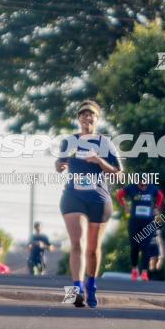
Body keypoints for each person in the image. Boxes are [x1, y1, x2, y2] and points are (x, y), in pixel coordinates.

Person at [55, 100, 122, 307]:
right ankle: (77, 289)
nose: (86, 118)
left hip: (98, 200)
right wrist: (59, 165)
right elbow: (60, 163)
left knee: (92, 248)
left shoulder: (105, 143)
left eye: (90, 114)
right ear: (78, 119)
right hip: (73, 196)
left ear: (97, 118)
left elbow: (119, 173)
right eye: (83, 115)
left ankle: (91, 285)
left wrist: (100, 162)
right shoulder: (69, 141)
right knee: (78, 242)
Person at [116, 181, 164, 281]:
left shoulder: (152, 188)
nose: (143, 187)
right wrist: (124, 205)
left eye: (145, 185)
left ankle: (144, 272)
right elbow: (119, 194)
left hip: (148, 222)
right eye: (141, 185)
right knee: (135, 247)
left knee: (145, 247)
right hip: (134, 222)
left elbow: (160, 195)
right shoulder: (131, 188)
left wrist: (157, 208)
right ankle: (134, 269)